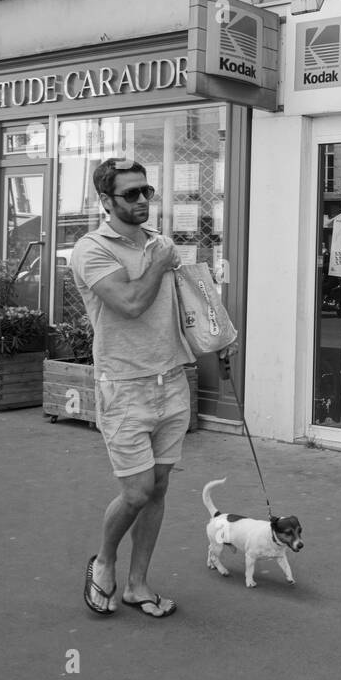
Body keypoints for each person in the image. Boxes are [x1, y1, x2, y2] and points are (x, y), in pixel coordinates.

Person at [71, 158, 201, 618]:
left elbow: (183, 301)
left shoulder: (159, 243)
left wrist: (216, 336)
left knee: (160, 487)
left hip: (172, 380)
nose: (144, 200)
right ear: (106, 201)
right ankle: (104, 560)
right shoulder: (91, 250)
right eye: (132, 194)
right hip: (124, 385)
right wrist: (159, 262)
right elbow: (129, 303)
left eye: (147, 191)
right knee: (136, 492)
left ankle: (138, 584)